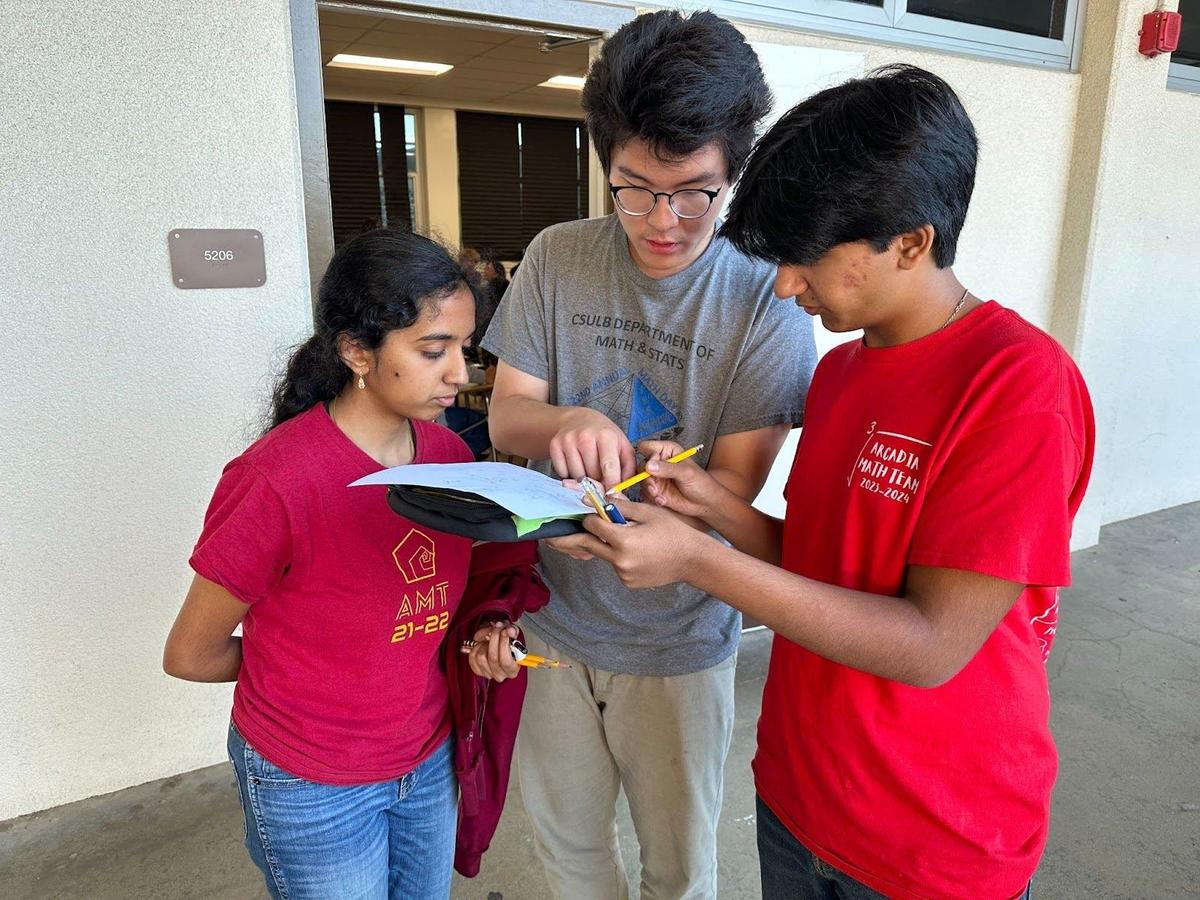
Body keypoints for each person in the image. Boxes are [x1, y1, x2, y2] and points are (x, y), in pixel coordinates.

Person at [567, 65, 1095, 900]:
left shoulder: (1018, 386)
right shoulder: (843, 372)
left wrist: (697, 561)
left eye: (807, 258)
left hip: (933, 837)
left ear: (911, 242)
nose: (785, 284)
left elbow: (931, 644)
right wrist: (715, 506)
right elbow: (827, 566)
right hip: (799, 797)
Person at [481, 10, 816, 899]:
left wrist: (684, 488)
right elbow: (508, 416)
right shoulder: (557, 256)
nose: (663, 221)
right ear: (607, 165)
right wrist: (562, 423)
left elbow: (733, 490)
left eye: (694, 193)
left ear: (732, 172)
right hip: (553, 616)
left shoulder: (767, 297)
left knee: (678, 870)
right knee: (569, 854)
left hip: (678, 640)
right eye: (634, 190)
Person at [162, 229, 522, 900]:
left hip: (428, 757)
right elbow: (191, 653)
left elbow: (430, 611)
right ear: (357, 351)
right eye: (433, 351)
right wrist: (312, 671)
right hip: (310, 780)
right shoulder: (278, 480)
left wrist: (482, 638)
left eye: (464, 348)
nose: (460, 373)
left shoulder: (449, 459)